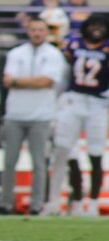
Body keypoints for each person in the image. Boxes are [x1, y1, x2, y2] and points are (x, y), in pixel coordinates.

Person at [0, 17, 65, 216]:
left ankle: (37, 204)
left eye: (40, 30)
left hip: (41, 115)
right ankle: (5, 203)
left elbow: (47, 81)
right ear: (28, 31)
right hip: (15, 114)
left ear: (46, 32)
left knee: (39, 162)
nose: (37, 33)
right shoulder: (16, 53)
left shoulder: (54, 55)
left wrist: (20, 81)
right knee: (9, 161)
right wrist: (29, 81)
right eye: (33, 29)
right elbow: (8, 81)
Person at [46, 14, 109, 217]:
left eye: (101, 25)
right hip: (74, 100)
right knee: (65, 151)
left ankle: (92, 202)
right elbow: (62, 73)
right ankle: (70, 199)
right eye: (93, 25)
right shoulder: (72, 45)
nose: (96, 29)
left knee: (96, 153)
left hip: (98, 103)